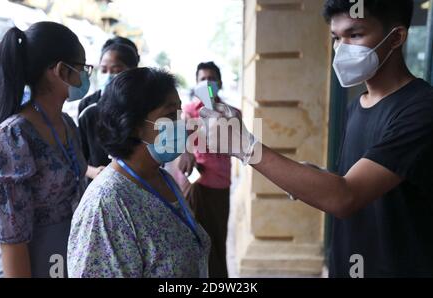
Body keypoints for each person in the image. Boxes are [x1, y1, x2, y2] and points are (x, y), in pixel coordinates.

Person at [200, 0, 433, 277]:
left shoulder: (421, 108)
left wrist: (246, 147)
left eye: (355, 34)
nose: (342, 48)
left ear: (396, 37)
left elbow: (346, 196)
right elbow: (357, 181)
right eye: (336, 38)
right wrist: (320, 177)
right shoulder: (357, 106)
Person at [67, 68, 210, 278]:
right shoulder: (106, 204)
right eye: (171, 115)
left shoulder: (163, 179)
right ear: (133, 125)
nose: (183, 124)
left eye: (180, 113)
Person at [0, 22, 89, 277]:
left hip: (67, 259)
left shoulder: (67, 124)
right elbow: (12, 241)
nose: (86, 76)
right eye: (83, 68)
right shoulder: (12, 138)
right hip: (32, 265)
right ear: (62, 70)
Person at [178, 62, 235, 277]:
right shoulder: (187, 112)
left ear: (219, 83)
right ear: (196, 83)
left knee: (216, 241)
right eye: (202, 79)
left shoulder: (230, 113)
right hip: (193, 183)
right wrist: (186, 150)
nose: (207, 83)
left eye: (212, 78)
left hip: (219, 185)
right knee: (191, 240)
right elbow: (179, 140)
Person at [78, 36, 140, 181]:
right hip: (97, 186)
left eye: (116, 70)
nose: (108, 76)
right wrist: (93, 171)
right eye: (104, 70)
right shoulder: (89, 109)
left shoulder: (143, 107)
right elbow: (79, 156)